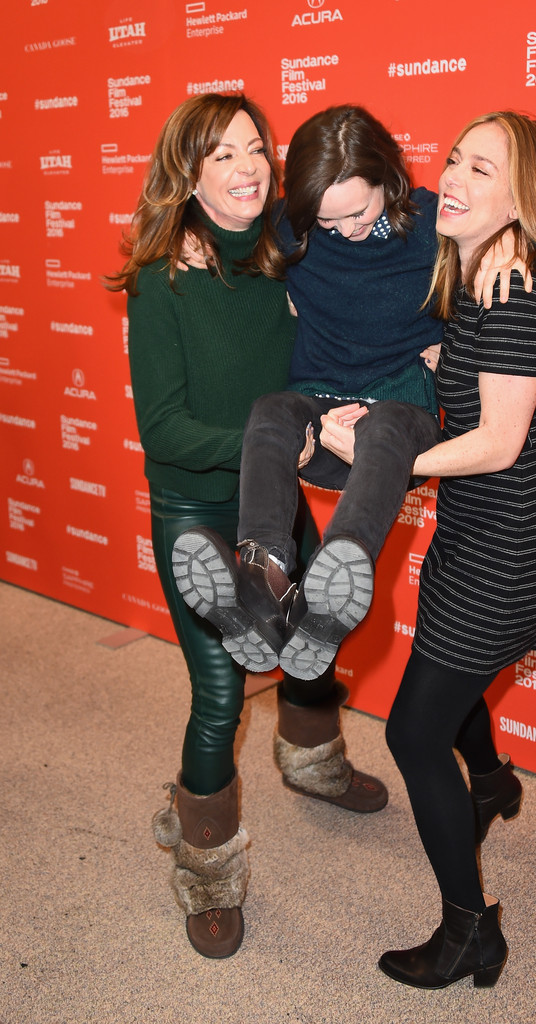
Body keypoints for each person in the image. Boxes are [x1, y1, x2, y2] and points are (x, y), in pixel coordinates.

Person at [105, 93, 389, 962]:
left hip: (276, 492)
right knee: (223, 691)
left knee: (313, 640)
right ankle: (207, 870)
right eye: (221, 154)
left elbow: (378, 248)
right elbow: (166, 431)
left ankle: (313, 764)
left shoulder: (286, 249)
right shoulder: (162, 276)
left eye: (255, 147)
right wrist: (279, 442)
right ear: (188, 174)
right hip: (197, 507)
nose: (248, 166)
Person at [321, 110, 536, 989]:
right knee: (450, 680)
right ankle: (490, 782)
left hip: (510, 542)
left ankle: (470, 931)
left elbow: (498, 442)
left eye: (486, 170)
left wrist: (381, 457)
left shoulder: (514, 287)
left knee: (410, 729)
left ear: (523, 199)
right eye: (455, 161)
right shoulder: (476, 268)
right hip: (479, 530)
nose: (458, 180)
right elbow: (456, 380)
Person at [172, 105, 529, 687]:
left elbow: (509, 221)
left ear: (388, 179)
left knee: (386, 425)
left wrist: (508, 244)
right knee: (269, 412)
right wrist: (186, 229)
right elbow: (226, 216)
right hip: (319, 402)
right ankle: (264, 578)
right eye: (328, 222)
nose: (345, 230)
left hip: (399, 414)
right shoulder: (292, 224)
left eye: (358, 212)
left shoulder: (432, 225)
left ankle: (331, 588)